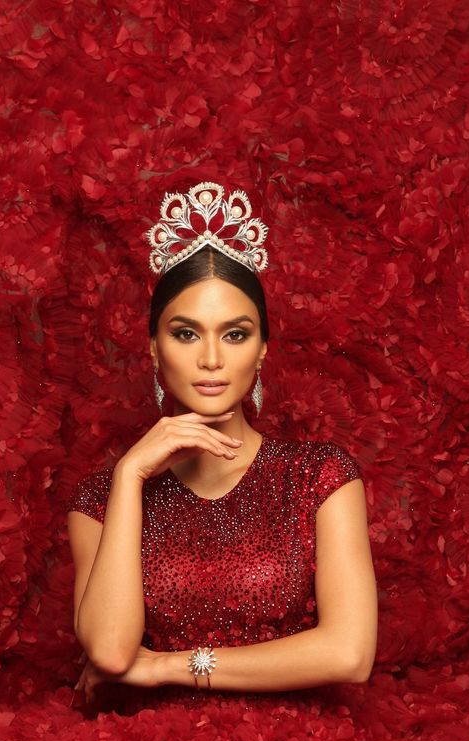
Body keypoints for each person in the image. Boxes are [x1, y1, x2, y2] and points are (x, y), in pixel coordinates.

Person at [67, 181, 378, 711]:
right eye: (186, 334)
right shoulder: (102, 498)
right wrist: (131, 476)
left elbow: (349, 654)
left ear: (261, 351)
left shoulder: (319, 476)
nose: (211, 358)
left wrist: (170, 665)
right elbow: (112, 654)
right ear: (153, 349)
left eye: (235, 334)